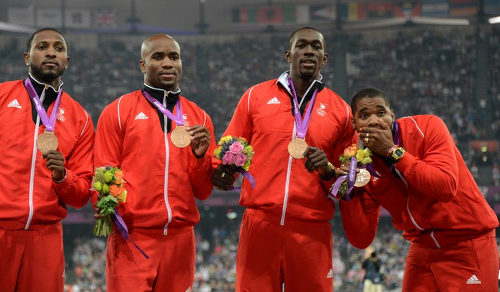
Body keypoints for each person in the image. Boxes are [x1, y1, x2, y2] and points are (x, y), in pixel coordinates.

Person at [212, 27, 355, 291]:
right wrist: (221, 171)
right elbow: (228, 147)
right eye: (302, 45)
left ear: (324, 58)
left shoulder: (342, 111)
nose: (309, 50)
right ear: (288, 55)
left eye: (316, 46)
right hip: (259, 224)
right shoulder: (255, 96)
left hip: (311, 229)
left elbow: (347, 183)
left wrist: (328, 170)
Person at [339, 88, 499, 291]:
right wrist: (348, 190)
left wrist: (393, 152)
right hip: (422, 247)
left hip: (466, 241)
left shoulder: (427, 127)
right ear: (354, 124)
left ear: (392, 115)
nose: (374, 121)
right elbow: (361, 239)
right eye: (364, 115)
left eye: (381, 113)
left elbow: (445, 187)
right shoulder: (364, 168)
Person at [93, 34, 215, 291]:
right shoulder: (117, 111)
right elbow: (102, 174)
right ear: (142, 65)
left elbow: (203, 191)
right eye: (158, 57)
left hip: (181, 242)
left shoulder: (199, 118)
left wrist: (200, 157)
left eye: (174, 57)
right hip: (133, 239)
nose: (168, 63)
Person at [0, 28, 95, 292]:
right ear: (27, 57)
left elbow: (81, 195)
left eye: (59, 48)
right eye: (42, 47)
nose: (51, 51)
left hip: (46, 238)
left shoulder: (81, 118)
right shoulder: (2, 96)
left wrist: (63, 176)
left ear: (67, 60)